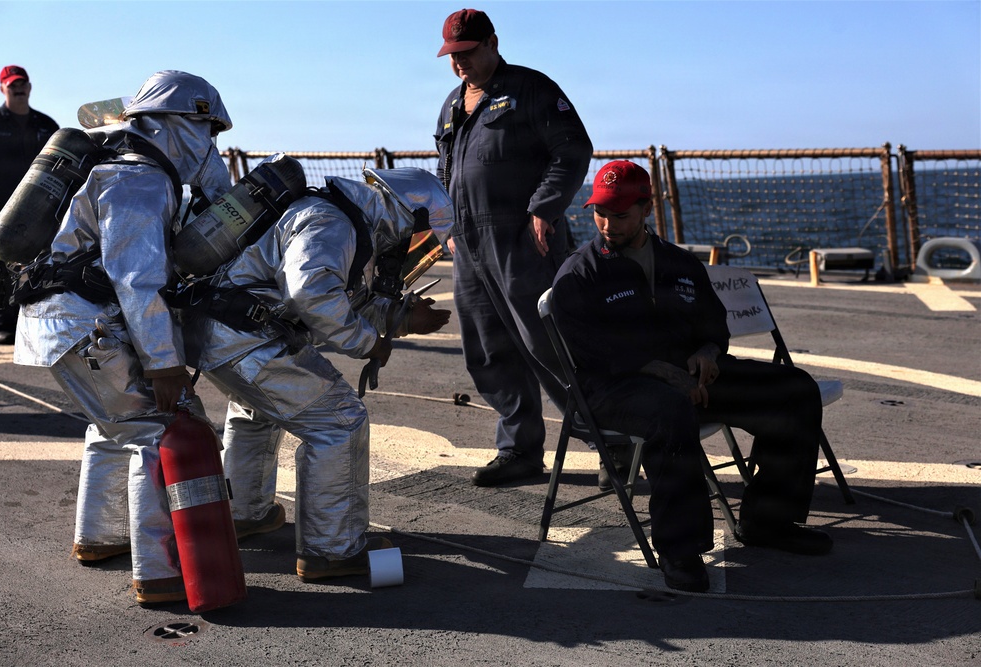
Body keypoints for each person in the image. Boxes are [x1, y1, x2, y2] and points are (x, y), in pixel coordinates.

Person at [552, 160, 833, 593]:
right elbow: (584, 351)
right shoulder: (580, 272)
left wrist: (707, 352)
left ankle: (768, 522)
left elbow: (712, 323)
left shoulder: (679, 263)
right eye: (600, 213)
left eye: (621, 214)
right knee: (670, 412)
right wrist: (656, 370)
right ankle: (679, 550)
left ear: (647, 208)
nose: (608, 224)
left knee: (793, 391)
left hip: (687, 377)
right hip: (613, 386)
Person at [13, 71, 234, 606]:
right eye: (207, 129)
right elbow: (137, 280)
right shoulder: (140, 181)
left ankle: (100, 536)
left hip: (59, 323)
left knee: (113, 426)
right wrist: (163, 365)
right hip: (84, 326)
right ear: (174, 124)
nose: (211, 145)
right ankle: (159, 572)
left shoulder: (118, 169)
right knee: (156, 433)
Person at [180, 166, 453, 582]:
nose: (413, 249)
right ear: (405, 216)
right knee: (339, 421)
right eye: (419, 237)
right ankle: (331, 549)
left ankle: (244, 513)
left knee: (259, 411)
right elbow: (311, 293)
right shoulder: (332, 222)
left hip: (220, 334)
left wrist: (402, 318)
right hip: (246, 339)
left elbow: (350, 298)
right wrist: (369, 343)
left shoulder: (340, 221)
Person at [433, 8, 593, 487]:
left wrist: (545, 208)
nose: (459, 64)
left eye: (467, 52)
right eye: (451, 56)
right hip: (469, 243)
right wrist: (446, 225)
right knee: (488, 349)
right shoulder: (451, 104)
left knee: (549, 344)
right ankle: (520, 450)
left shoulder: (530, 89)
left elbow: (573, 149)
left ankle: (612, 438)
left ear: (493, 42)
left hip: (523, 238)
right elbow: (447, 170)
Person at [0, 65, 59, 345]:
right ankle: (0, 323)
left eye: (22, 83)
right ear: (3, 88)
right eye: (12, 83)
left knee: (44, 262)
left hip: (44, 207)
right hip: (4, 205)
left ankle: (38, 322)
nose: (18, 87)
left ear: (30, 86)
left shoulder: (46, 125)